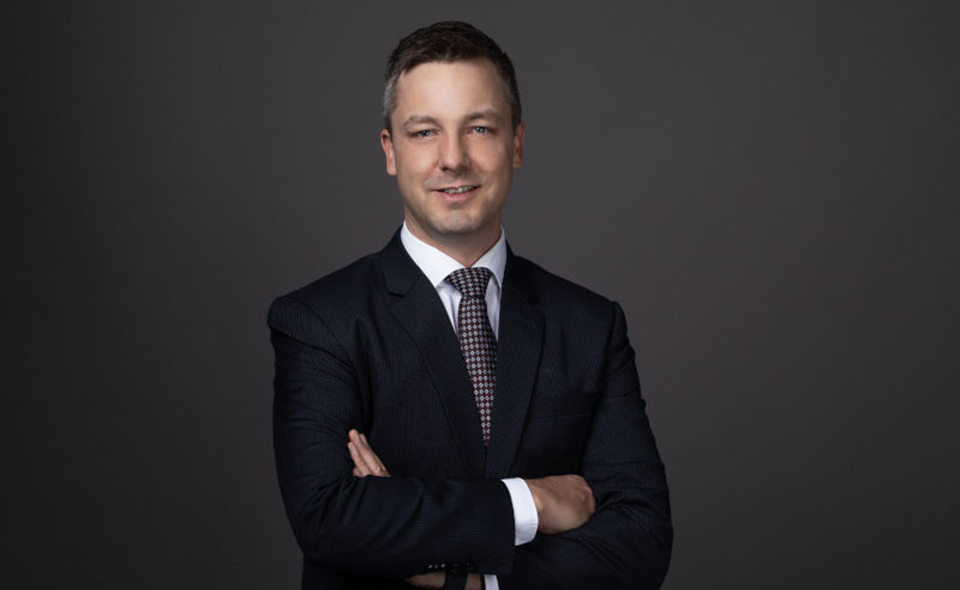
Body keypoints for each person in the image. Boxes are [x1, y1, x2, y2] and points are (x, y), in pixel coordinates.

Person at [268, 21, 672, 590]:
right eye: (424, 132)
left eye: (479, 127)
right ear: (390, 151)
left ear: (517, 143)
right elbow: (330, 518)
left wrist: (469, 582)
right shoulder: (320, 322)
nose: (453, 158)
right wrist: (530, 501)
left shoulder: (590, 326)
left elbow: (642, 542)